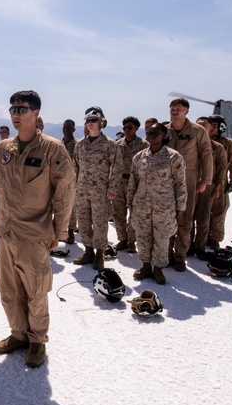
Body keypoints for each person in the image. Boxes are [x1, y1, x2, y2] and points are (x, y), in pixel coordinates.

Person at [0, 91, 75, 368]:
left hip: (34, 234)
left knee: (35, 290)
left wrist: (59, 232)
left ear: (36, 113)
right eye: (13, 108)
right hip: (6, 232)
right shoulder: (5, 148)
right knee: (8, 289)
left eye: (23, 109)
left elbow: (64, 193)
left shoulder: (52, 150)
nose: (16, 114)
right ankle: (18, 334)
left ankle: (37, 340)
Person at [126, 120, 187, 285]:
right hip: (141, 205)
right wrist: (130, 202)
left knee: (161, 238)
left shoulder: (174, 157)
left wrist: (181, 207)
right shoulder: (139, 157)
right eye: (149, 134)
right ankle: (146, 266)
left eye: (155, 133)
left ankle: (158, 268)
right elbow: (133, 181)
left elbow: (180, 184)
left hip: (164, 206)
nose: (151, 137)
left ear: (164, 135)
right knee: (143, 236)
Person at [165, 97, 213, 271]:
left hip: (189, 178)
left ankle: (180, 256)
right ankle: (166, 254)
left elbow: (207, 156)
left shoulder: (197, 131)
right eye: (172, 108)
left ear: (187, 111)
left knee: (185, 219)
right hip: (167, 180)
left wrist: (205, 181)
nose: (174, 111)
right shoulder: (165, 130)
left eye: (178, 109)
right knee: (167, 218)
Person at [72, 107, 121, 270]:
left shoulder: (109, 144)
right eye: (88, 120)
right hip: (82, 190)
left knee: (100, 223)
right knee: (84, 222)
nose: (90, 123)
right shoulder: (80, 144)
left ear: (101, 123)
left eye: (94, 120)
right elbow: (75, 167)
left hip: (100, 191)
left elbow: (117, 167)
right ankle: (88, 252)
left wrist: (112, 188)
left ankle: (100, 254)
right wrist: (74, 186)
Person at [193, 117, 228, 259]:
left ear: (209, 128)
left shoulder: (217, 147)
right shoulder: (189, 144)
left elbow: (222, 168)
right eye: (198, 125)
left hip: (207, 186)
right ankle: (188, 246)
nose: (201, 127)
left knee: (204, 217)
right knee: (187, 218)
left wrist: (218, 186)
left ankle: (200, 246)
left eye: (204, 125)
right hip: (190, 184)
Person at [111, 116, 147, 253]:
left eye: (129, 127)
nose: (126, 130)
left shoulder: (143, 145)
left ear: (136, 128)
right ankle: (122, 239)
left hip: (134, 182)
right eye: (124, 128)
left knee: (134, 213)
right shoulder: (117, 144)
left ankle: (132, 241)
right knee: (118, 212)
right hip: (119, 182)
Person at [207, 114, 232, 250]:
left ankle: (215, 238)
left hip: (220, 182)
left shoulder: (228, 143)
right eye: (210, 125)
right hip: (203, 181)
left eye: (214, 126)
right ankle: (202, 238)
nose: (211, 128)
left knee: (219, 211)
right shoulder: (202, 140)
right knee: (202, 212)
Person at [61, 119, 78, 245]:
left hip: (73, 181)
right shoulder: (58, 144)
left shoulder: (78, 145)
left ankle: (71, 231)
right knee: (58, 206)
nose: (66, 130)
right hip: (59, 181)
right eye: (65, 127)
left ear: (74, 129)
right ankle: (60, 231)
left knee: (72, 208)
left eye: (69, 128)